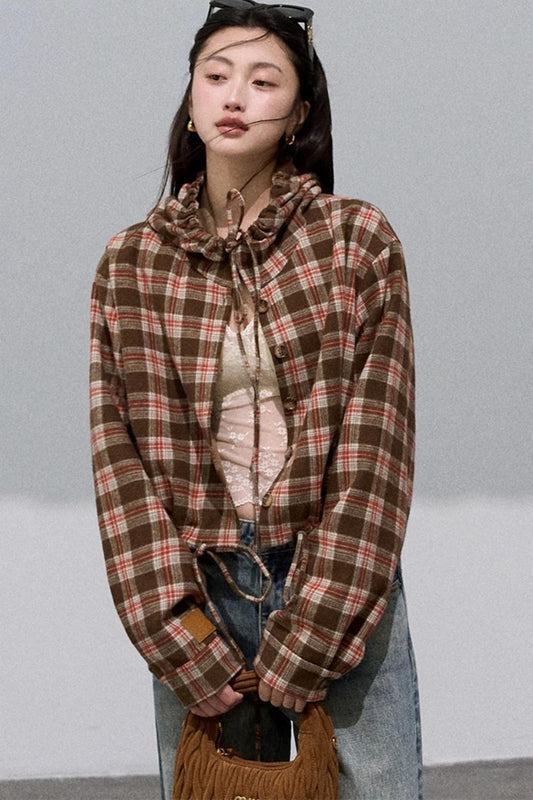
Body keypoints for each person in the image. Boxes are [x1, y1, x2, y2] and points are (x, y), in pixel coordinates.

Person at [89, 1, 423, 798]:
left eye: (263, 80)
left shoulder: (354, 241)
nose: (235, 96)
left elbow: (374, 453)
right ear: (191, 99)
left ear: (300, 113)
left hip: (337, 580)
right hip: (198, 589)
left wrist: (312, 630)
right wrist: (174, 635)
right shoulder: (132, 264)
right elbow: (119, 462)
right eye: (216, 76)